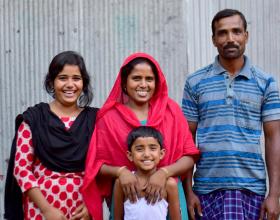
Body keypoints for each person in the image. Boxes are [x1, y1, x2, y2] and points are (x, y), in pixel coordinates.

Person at [182, 9, 280, 220]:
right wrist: (188, 191)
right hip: (206, 190)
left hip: (251, 190)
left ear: (246, 35)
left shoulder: (266, 83)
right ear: (213, 39)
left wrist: (274, 195)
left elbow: (274, 138)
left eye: (236, 31)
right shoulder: (195, 82)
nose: (230, 39)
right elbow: (186, 139)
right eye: (223, 33)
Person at [82, 52, 200, 220]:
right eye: (136, 78)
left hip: (169, 194)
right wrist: (121, 172)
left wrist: (164, 173)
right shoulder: (108, 118)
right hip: (129, 198)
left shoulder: (171, 111)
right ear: (124, 83)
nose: (143, 84)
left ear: (157, 83)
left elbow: (188, 156)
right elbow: (97, 164)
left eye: (149, 79)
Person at [4, 51, 98, 220]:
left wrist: (91, 203)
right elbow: (22, 170)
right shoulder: (34, 119)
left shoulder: (95, 121)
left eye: (76, 78)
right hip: (41, 210)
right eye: (63, 78)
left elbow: (102, 167)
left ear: (83, 83)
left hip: (82, 211)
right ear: (51, 82)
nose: (70, 84)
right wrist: (47, 209)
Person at [114, 126, 181, 220]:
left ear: (161, 154)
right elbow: (117, 217)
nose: (146, 154)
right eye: (139, 149)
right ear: (130, 155)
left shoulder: (169, 184)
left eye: (152, 148)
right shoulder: (121, 183)